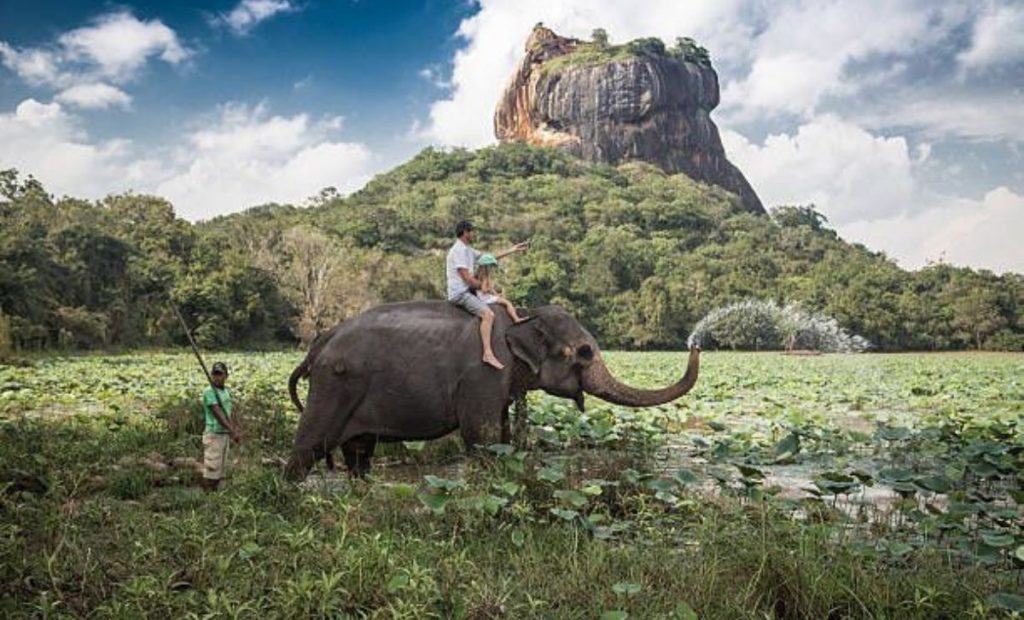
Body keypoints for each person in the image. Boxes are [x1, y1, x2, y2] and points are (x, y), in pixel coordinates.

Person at [446, 220, 528, 370]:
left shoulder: (467, 250)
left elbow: (488, 257)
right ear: (465, 232)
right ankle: (487, 353)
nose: (474, 234)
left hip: (468, 290)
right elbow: (468, 279)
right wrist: (486, 288)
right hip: (460, 293)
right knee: (488, 315)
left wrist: (512, 250)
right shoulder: (458, 251)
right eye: (472, 231)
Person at [200, 361, 241, 491]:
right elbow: (219, 415)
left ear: (226, 376)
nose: (217, 377)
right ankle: (207, 496)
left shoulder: (226, 392)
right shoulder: (209, 392)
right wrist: (232, 431)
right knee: (212, 469)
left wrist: (235, 429)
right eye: (215, 374)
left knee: (221, 471)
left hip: (224, 435)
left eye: (220, 374)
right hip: (214, 435)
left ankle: (215, 496)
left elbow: (229, 413)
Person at [474, 254, 525, 324]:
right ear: (487, 266)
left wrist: (496, 294)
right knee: (507, 303)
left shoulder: (477, 275)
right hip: (485, 298)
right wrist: (490, 288)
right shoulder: (485, 277)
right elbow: (484, 290)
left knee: (501, 299)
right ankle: (516, 319)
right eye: (491, 266)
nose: (492, 268)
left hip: (480, 296)